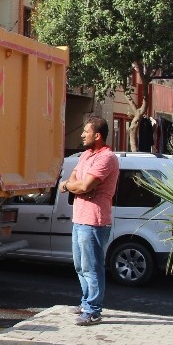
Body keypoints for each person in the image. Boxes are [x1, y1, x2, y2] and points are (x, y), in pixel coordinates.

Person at [59, 115, 120, 326]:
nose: (82, 135)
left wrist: (72, 186)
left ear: (98, 135)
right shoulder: (86, 155)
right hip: (79, 219)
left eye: (86, 132)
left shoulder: (107, 158)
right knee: (79, 266)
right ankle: (86, 302)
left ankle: (93, 310)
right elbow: (73, 180)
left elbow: (84, 186)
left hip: (94, 221)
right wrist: (73, 185)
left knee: (92, 267)